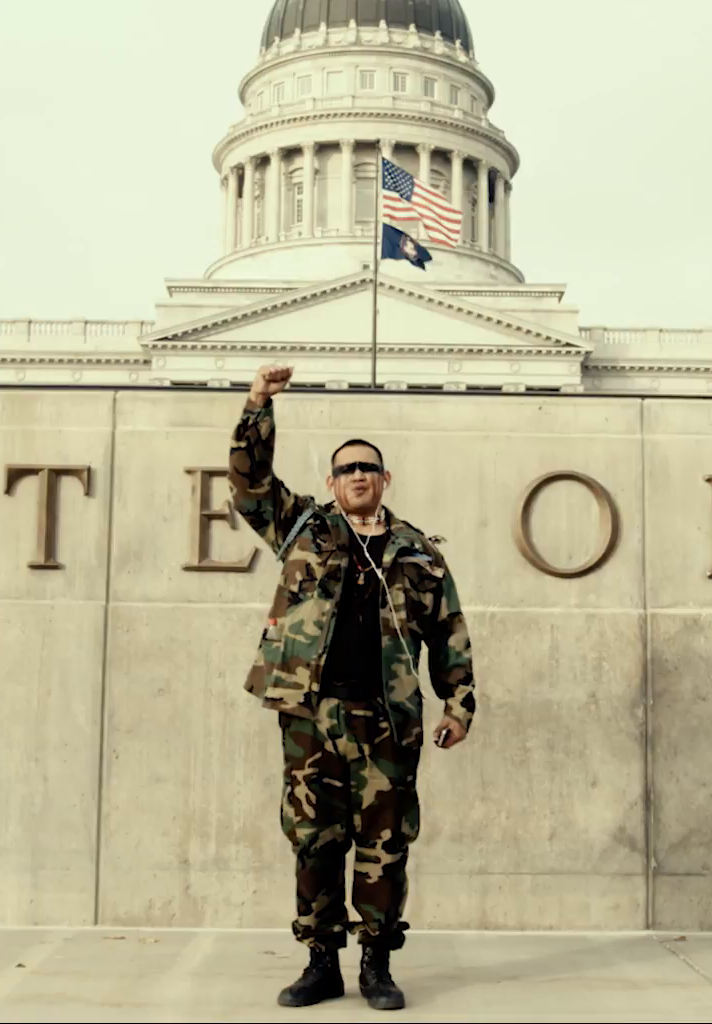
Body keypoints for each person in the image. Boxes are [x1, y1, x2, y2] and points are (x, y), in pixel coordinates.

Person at [226, 362, 478, 1012]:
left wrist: (458, 705)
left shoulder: (419, 552)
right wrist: (258, 404)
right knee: (314, 839)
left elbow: (449, 631)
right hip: (310, 714)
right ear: (331, 482)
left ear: (385, 479)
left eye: (368, 467)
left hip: (388, 719)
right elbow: (250, 483)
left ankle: (377, 964)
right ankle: (320, 963)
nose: (358, 475)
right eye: (346, 469)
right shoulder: (302, 528)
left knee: (384, 845)